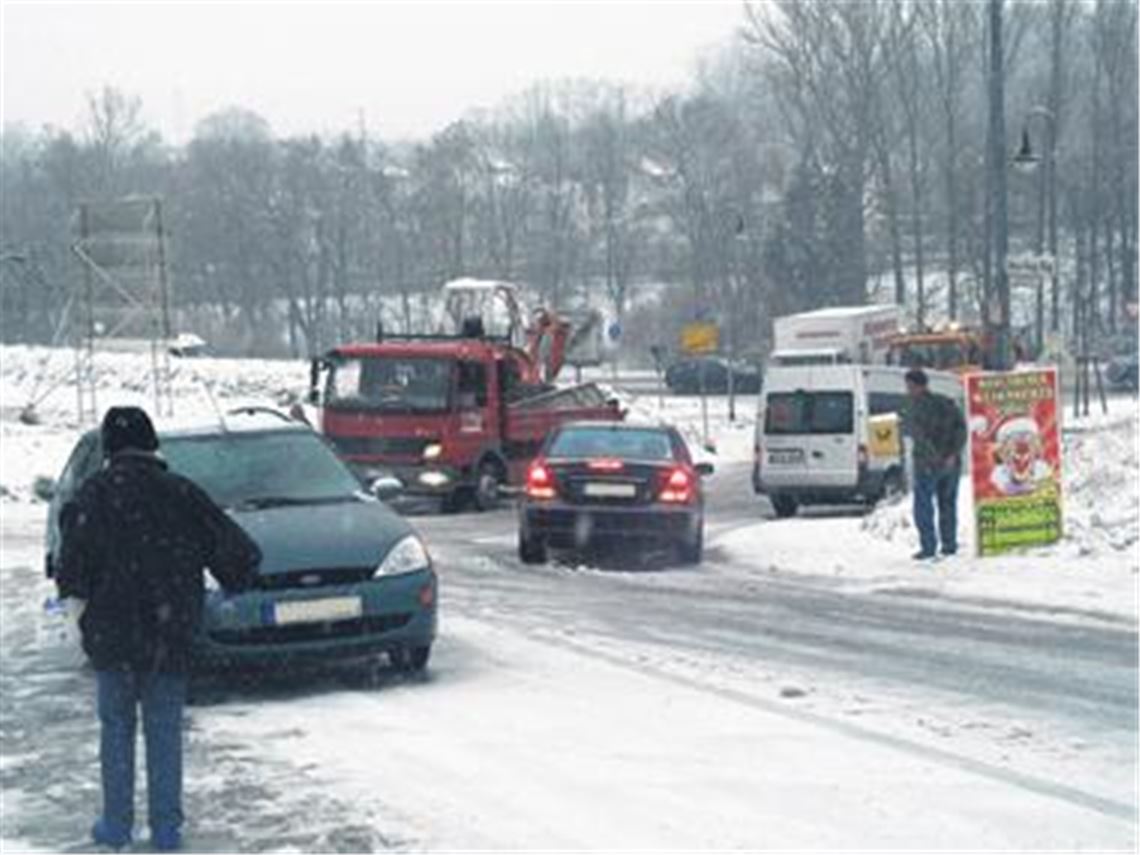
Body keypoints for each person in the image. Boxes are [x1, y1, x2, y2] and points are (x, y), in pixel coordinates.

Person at [55, 406, 261, 851]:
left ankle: (116, 826)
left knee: (116, 729)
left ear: (109, 448)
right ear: (153, 445)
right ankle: (166, 830)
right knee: (164, 730)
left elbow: (69, 574)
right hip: (170, 635)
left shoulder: (91, 497)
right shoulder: (181, 493)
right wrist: (221, 590)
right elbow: (241, 556)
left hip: (111, 638)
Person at [903, 369, 967, 560]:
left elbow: (920, 438)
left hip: (928, 466)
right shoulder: (946, 403)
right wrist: (952, 454)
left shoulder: (916, 407)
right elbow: (961, 429)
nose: (907, 390)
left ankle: (929, 547)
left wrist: (936, 458)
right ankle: (949, 544)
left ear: (916, 385)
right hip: (951, 465)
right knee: (947, 504)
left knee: (923, 506)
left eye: (909, 386)